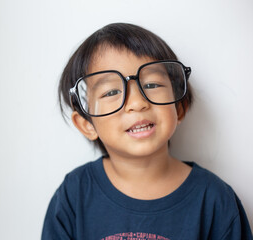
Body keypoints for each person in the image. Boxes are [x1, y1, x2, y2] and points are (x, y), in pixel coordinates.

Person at [41, 23, 252, 240]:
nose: (137, 102)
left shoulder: (215, 199)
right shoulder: (73, 194)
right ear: (87, 125)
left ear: (179, 108)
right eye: (111, 91)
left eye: (151, 85)